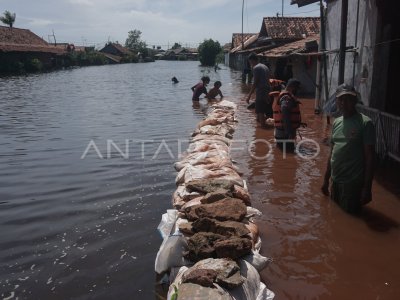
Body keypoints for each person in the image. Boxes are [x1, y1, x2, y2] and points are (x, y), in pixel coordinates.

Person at [321, 84, 375, 214]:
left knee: (351, 217)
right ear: (337, 102)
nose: (344, 103)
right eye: (341, 99)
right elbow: (332, 153)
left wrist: (367, 188)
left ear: (355, 101)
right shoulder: (337, 122)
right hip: (336, 180)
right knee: (335, 216)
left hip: (352, 183)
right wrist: (325, 179)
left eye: (348, 99)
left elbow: (370, 158)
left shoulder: (365, 123)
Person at [273, 78, 302, 151]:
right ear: (292, 87)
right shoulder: (286, 97)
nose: (297, 91)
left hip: (282, 132)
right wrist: (288, 132)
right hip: (284, 134)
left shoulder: (285, 95)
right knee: (287, 154)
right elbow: (284, 111)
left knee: (282, 155)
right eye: (296, 89)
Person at [245, 53, 270, 127]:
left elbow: (255, 83)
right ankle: (260, 128)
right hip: (267, 90)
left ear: (252, 60)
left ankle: (263, 128)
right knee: (261, 108)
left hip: (261, 91)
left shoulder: (256, 68)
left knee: (260, 110)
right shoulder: (265, 66)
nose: (250, 64)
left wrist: (249, 96)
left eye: (250, 62)